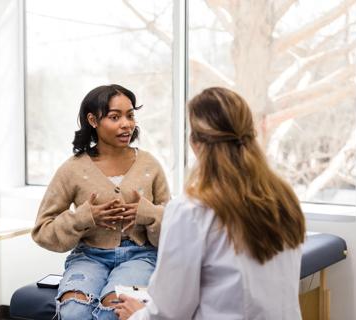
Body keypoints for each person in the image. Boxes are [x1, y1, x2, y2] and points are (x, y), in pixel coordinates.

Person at [115, 87, 306, 320]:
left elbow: (168, 314)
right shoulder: (284, 199)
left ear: (195, 143)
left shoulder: (192, 211)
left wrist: (136, 315)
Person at [31, 84, 170, 320]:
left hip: (140, 256)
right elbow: (43, 230)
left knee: (113, 312)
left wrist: (148, 214)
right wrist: (84, 218)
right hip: (88, 257)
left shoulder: (150, 166)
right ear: (93, 120)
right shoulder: (73, 169)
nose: (126, 124)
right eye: (115, 117)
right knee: (74, 312)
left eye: (130, 115)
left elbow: (175, 227)